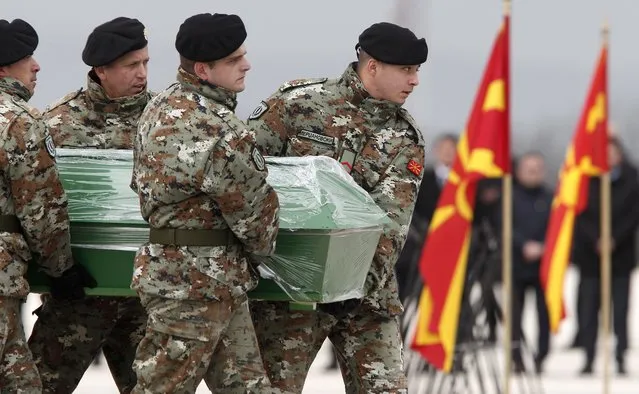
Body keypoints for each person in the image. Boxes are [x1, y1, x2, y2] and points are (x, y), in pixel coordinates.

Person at [247, 22, 428, 393]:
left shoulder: (403, 137)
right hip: (290, 288)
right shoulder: (298, 104)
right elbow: (247, 177)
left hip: (365, 295)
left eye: (417, 71)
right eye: (406, 70)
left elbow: (391, 225)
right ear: (373, 66)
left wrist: (352, 286)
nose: (415, 81)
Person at [130, 13, 282, 393]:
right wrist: (261, 253)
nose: (246, 64)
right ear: (203, 69)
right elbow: (254, 216)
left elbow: (140, 185)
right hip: (198, 286)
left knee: (247, 385)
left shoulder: (158, 106)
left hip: (192, 277)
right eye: (233, 60)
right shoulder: (218, 126)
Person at [28, 17, 152, 393]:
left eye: (146, 62)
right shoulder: (57, 122)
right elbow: (36, 199)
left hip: (144, 296)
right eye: (132, 65)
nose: (142, 74)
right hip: (77, 293)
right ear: (101, 70)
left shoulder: (165, 118)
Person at [0, 18, 95, 392]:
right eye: (26, 58)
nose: (36, 66)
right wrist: (61, 270)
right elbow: (40, 207)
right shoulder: (18, 122)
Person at [574, 135, 639, 375]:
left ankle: (621, 356)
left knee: (620, 311)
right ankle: (589, 357)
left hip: (621, 257)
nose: (610, 157)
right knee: (589, 311)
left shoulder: (633, 179)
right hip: (590, 258)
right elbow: (580, 213)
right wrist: (597, 239)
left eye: (613, 152)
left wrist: (614, 238)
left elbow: (634, 214)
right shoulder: (585, 179)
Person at [497, 152, 552, 374]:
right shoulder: (509, 196)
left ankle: (542, 355)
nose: (533, 173)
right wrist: (523, 245)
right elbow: (503, 226)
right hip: (516, 265)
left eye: (537, 169)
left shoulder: (551, 197)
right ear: (519, 171)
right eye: (529, 169)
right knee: (515, 316)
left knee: (544, 315)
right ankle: (516, 357)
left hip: (544, 266)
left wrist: (544, 246)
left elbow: (559, 227)